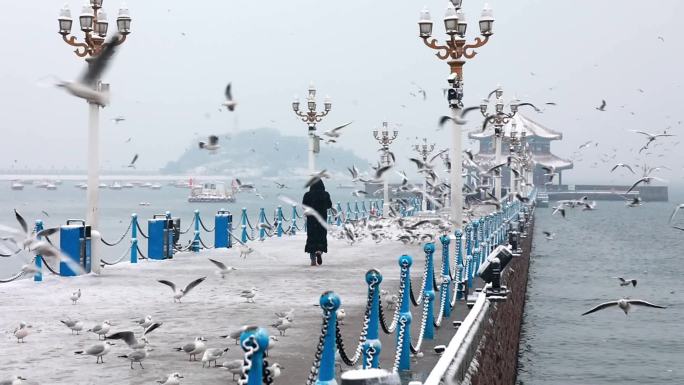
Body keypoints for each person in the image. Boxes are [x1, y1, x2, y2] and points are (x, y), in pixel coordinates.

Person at [302, 179, 332, 266]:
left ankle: (312, 260)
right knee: (321, 237)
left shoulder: (307, 195)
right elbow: (329, 205)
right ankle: (319, 251)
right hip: (322, 219)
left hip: (311, 219)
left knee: (311, 237)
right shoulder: (325, 194)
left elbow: (304, 206)